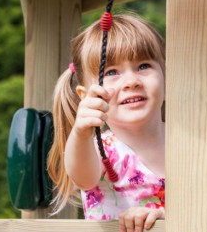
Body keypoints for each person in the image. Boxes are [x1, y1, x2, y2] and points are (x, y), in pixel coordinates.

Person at [47, 14, 166, 232]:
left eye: (143, 66)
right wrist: (81, 133)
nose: (131, 82)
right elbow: (83, 177)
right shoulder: (103, 150)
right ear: (87, 96)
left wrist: (163, 215)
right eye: (112, 72)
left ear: (166, 76)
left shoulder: (189, 145)